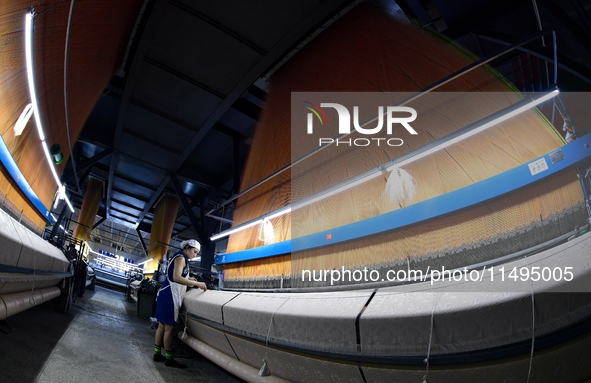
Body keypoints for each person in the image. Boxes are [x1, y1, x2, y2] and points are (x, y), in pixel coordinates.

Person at [153, 239, 207, 368]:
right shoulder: (181, 258)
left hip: (166, 294)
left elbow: (176, 275)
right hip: (170, 296)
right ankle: (169, 359)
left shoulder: (179, 256)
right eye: (194, 252)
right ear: (187, 248)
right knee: (169, 330)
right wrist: (197, 283)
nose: (195, 255)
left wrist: (188, 278)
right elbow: (176, 278)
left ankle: (157, 354)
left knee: (161, 326)